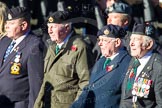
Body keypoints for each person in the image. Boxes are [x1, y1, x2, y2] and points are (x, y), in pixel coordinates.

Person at [34, 11, 94, 108]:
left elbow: (86, 83)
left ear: (67, 28)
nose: (49, 31)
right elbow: (46, 79)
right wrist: (37, 104)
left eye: (53, 27)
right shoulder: (52, 47)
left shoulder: (80, 47)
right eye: (49, 27)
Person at [71, 24, 131, 108]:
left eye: (104, 40)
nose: (99, 44)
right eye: (99, 40)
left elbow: (128, 99)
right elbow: (88, 89)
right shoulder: (101, 61)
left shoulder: (127, 63)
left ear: (117, 42)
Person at [0, 6, 44, 108]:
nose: (6, 27)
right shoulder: (5, 41)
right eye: (6, 23)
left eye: (11, 24)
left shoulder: (33, 46)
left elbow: (36, 84)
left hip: (19, 104)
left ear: (23, 25)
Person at [120, 23, 162, 107]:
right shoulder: (134, 60)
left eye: (136, 39)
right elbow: (126, 97)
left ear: (149, 44)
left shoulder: (158, 67)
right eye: (131, 39)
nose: (131, 43)